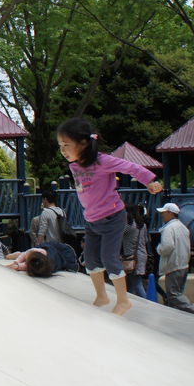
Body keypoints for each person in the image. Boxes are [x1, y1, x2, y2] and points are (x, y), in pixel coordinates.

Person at [56, 117, 164, 316]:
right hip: (91, 219)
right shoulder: (74, 166)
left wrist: (149, 181)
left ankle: (123, 301)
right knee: (89, 259)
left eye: (66, 145)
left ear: (84, 143)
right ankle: (101, 296)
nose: (62, 150)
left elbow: (130, 167)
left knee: (109, 257)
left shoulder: (102, 161)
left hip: (112, 216)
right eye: (60, 145)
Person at [156, 203, 194, 315]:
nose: (162, 215)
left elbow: (167, 246)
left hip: (173, 265)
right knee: (178, 292)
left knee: (173, 294)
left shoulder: (168, 228)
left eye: (164, 212)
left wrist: (159, 249)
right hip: (183, 264)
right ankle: (177, 315)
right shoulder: (182, 227)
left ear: (170, 213)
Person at [121, 203, 150, 300]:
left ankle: (148, 305)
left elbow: (117, 234)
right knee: (130, 283)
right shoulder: (143, 225)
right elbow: (146, 240)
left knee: (137, 283)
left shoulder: (129, 226)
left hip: (132, 257)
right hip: (141, 255)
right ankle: (130, 302)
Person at [6, 241, 80, 276]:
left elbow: (28, 265)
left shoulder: (50, 266)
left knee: (26, 256)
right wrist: (16, 262)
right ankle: (20, 254)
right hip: (60, 249)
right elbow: (28, 254)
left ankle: (20, 254)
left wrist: (19, 266)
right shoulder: (36, 251)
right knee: (25, 254)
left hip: (61, 254)